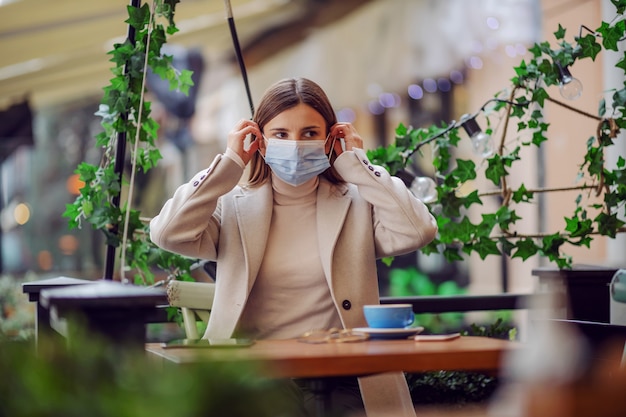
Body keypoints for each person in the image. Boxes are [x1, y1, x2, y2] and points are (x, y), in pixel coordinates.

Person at [150, 77, 438, 417]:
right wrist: (229, 164)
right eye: (281, 134)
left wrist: (357, 165)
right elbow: (167, 232)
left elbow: (418, 229)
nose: (296, 145)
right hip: (256, 373)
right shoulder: (231, 207)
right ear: (259, 140)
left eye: (310, 133)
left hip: (344, 372)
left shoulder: (358, 203)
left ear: (331, 138)